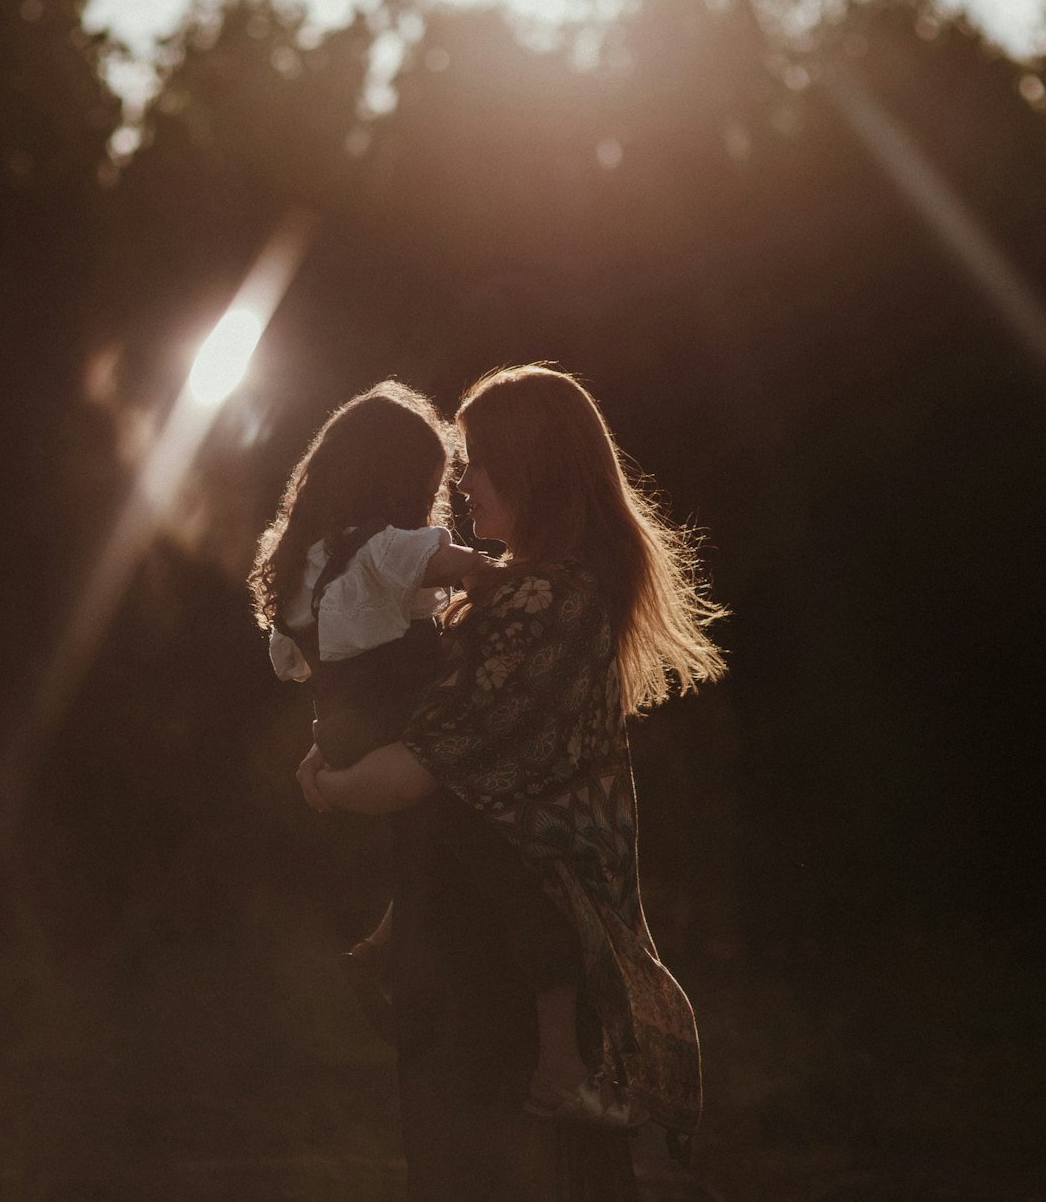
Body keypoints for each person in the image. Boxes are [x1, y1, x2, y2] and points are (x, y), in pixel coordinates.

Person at [299, 364, 725, 1197]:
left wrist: (329, 785)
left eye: (481, 460)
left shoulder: (544, 605)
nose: (463, 483)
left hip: (494, 975)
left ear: (536, 468)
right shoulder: (519, 595)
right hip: (472, 958)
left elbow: (427, 765)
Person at [252, 380, 606, 1116]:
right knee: (519, 888)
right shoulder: (389, 550)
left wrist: (328, 753)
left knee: (434, 851)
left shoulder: (304, 565)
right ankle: (559, 1062)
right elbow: (469, 570)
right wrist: (504, 573)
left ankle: (381, 944)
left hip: (345, 731)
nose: (453, 491)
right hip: (404, 735)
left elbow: (299, 665)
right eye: (442, 476)